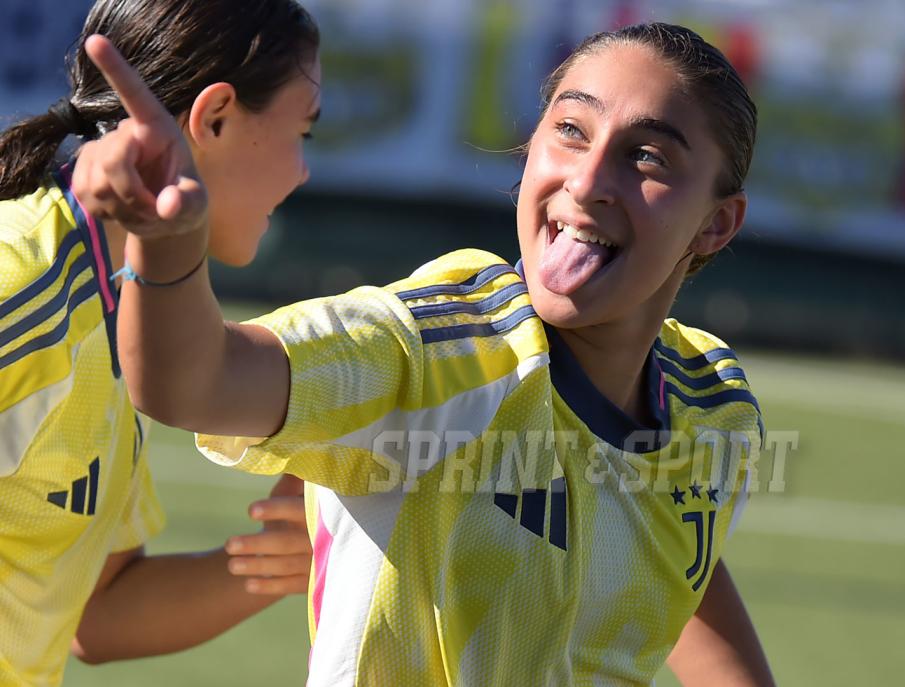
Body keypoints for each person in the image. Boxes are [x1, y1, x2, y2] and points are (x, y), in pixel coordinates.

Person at [76, 21, 777, 686]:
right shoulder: (434, 350)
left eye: (646, 156)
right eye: (570, 130)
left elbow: (668, 539)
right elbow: (191, 384)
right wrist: (164, 240)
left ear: (717, 222)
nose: (589, 179)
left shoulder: (712, 407)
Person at [0, 1, 321, 684]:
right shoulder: (23, 290)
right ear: (214, 118)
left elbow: (96, 611)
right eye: (304, 131)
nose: (302, 172)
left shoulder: (118, 310)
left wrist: (277, 563)